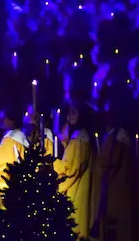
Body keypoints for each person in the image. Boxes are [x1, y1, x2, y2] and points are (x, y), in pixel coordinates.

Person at [54, 102, 95, 240]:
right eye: (69, 112)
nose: (69, 117)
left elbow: (70, 169)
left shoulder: (80, 140)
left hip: (76, 196)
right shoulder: (78, 139)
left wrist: (50, 163)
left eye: (74, 112)